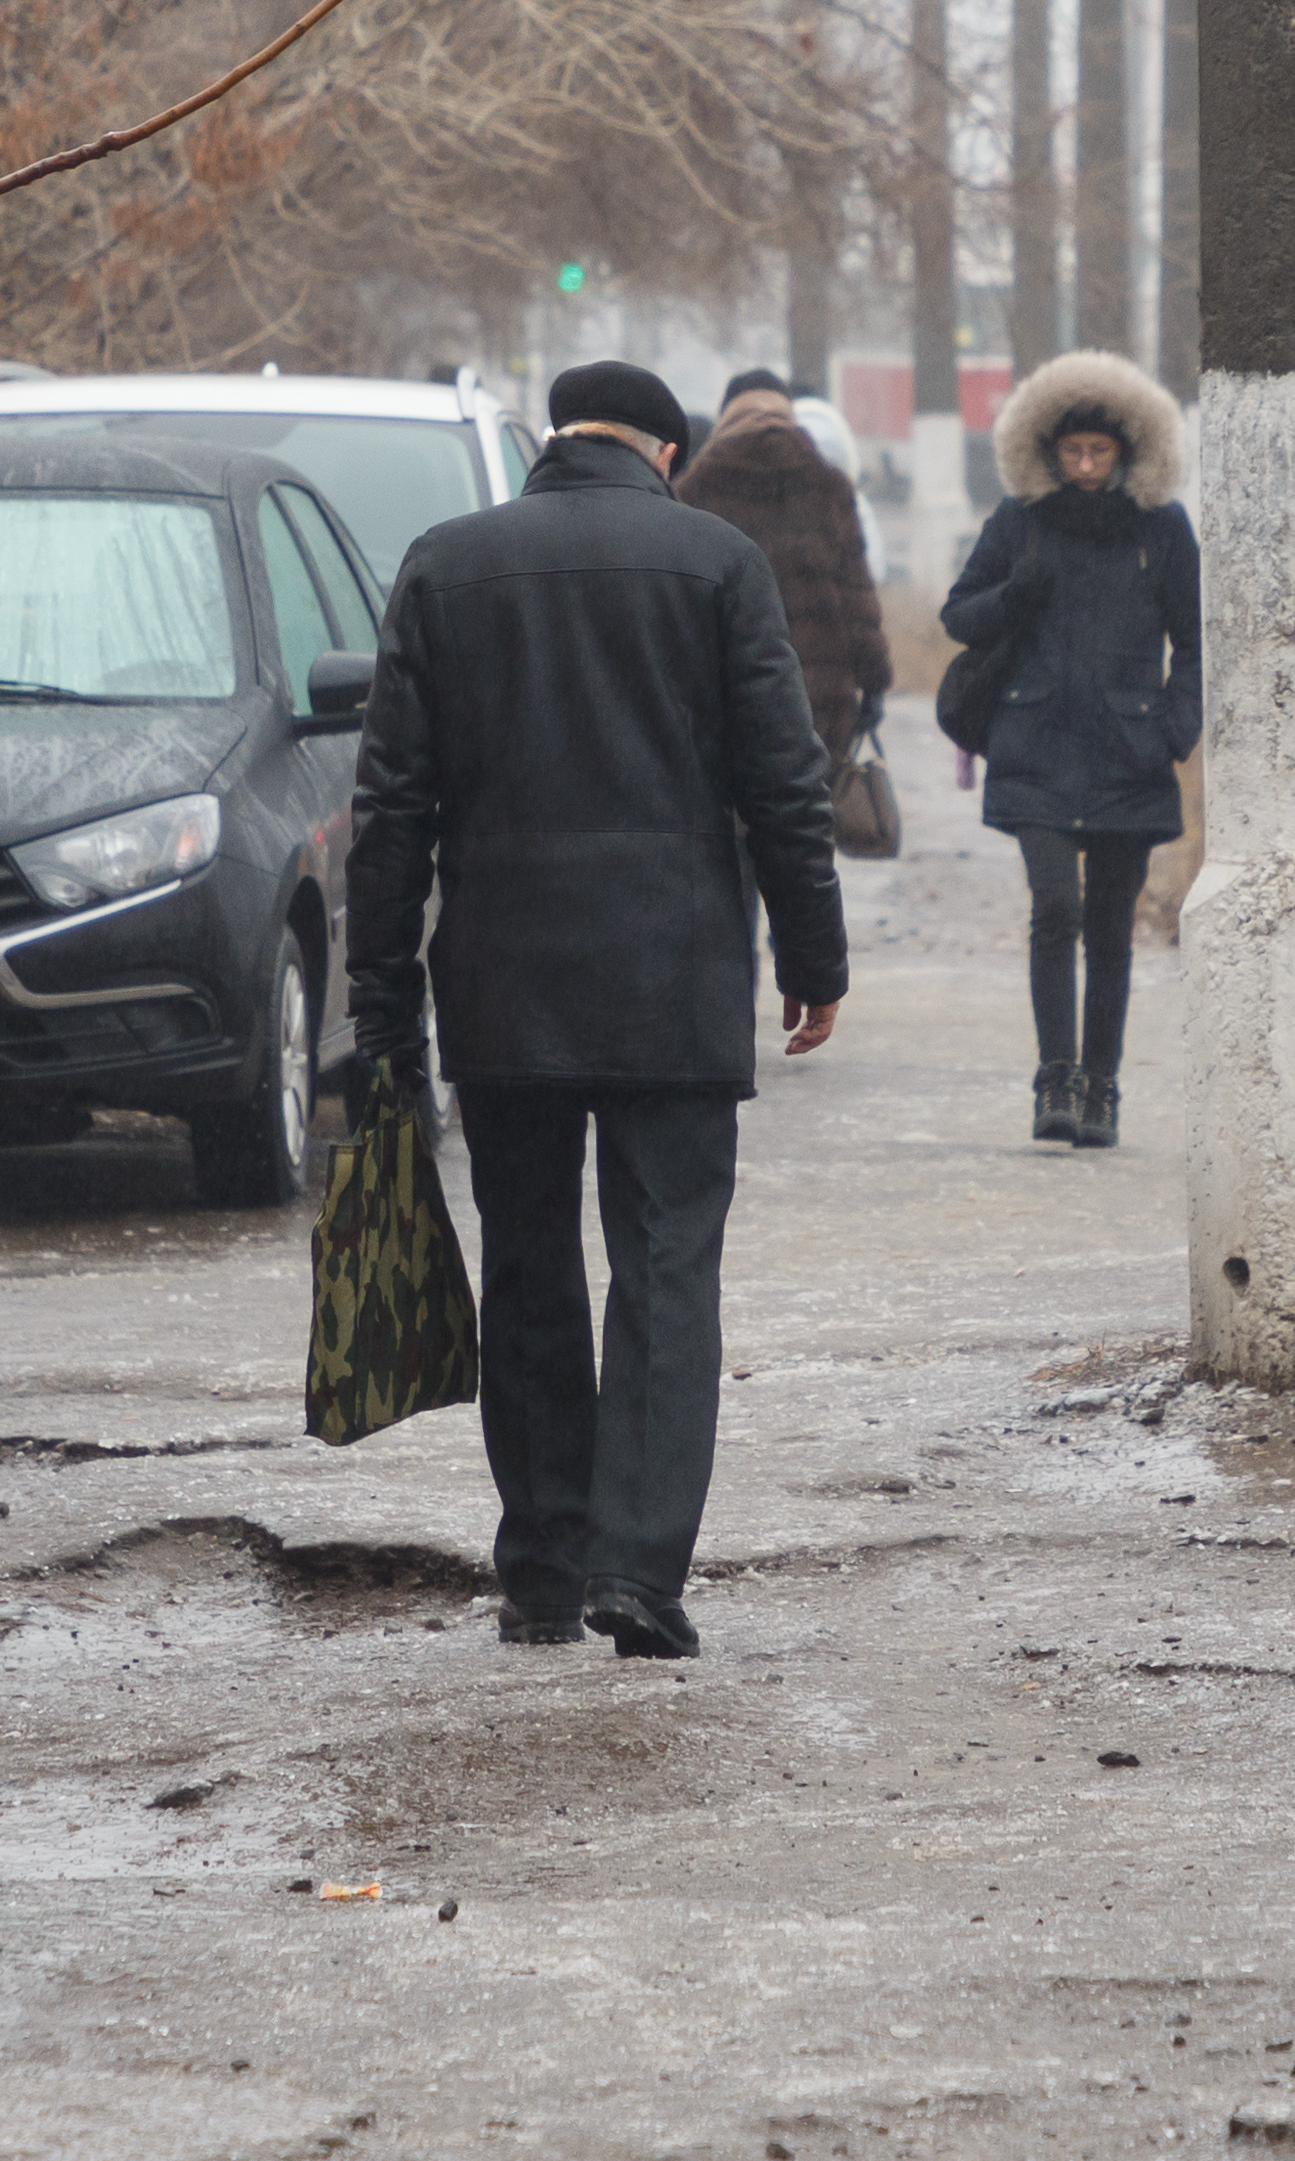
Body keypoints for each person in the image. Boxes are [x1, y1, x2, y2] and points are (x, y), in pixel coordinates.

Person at [348, 359, 848, 1661]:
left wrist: (382, 1001)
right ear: (664, 454)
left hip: (503, 983)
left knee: (527, 1266)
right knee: (666, 1264)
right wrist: (813, 954)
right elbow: (783, 780)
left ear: (551, 441)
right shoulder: (716, 563)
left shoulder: (447, 565)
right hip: (673, 977)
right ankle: (640, 1572)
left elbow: (390, 807)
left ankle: (539, 1575)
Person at [940, 350, 1200, 1152]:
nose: (1086, 466)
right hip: (1038, 743)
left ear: (1126, 451)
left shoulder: (1163, 528)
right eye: (1073, 452)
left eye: (1100, 452)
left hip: (1128, 749)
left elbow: (1195, 638)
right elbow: (960, 614)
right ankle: (1055, 1080)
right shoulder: (1019, 522)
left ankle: (1103, 1087)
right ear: (1048, 451)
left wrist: (1174, 726)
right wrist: (1013, 593)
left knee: (1111, 925)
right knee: (1054, 909)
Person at [677, 368, 893, 767]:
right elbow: (857, 598)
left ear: (726, 416)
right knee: (808, 818)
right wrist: (874, 684)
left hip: (726, 701)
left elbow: (679, 607)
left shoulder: (696, 488)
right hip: (820, 701)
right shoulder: (829, 486)